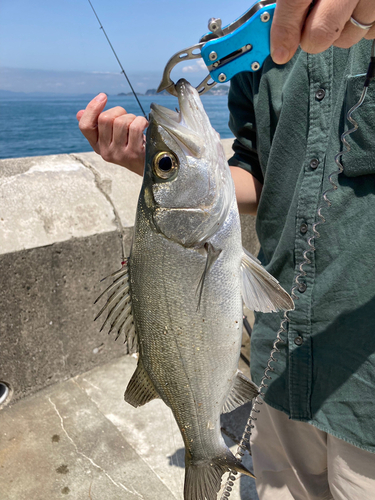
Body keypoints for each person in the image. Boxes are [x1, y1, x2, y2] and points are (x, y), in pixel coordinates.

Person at [77, 1, 375, 498]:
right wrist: (150, 167)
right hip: (281, 362)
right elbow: (262, 174)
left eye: (166, 165)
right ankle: (204, 449)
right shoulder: (255, 46)